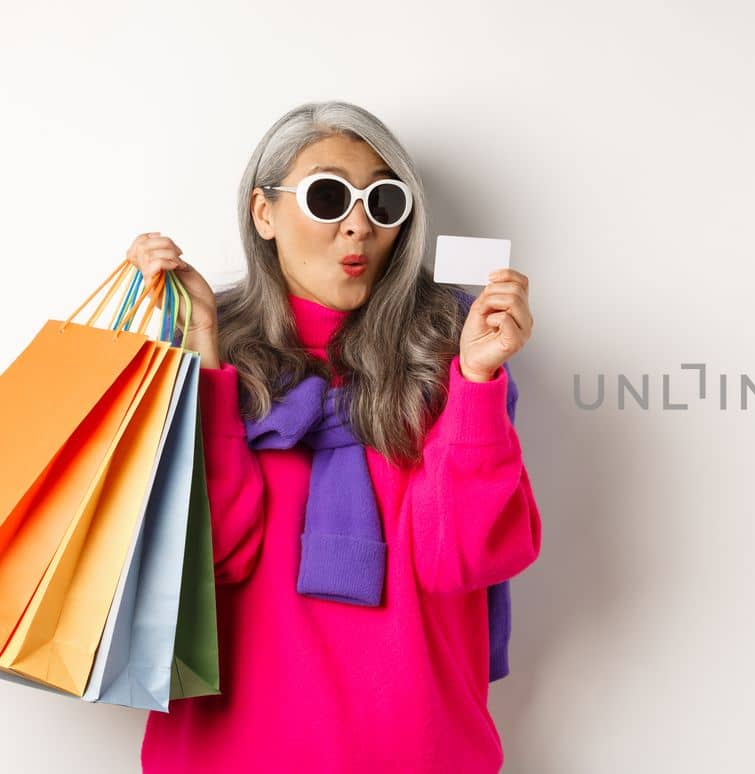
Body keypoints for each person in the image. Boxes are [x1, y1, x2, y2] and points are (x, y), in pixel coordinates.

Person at [128, 100, 541, 773]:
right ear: (264, 213)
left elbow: (462, 559)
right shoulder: (204, 350)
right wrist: (202, 346)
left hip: (416, 747)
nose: (358, 225)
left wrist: (474, 379)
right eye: (328, 195)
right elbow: (208, 558)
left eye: (382, 201)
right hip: (225, 750)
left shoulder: (450, 351)